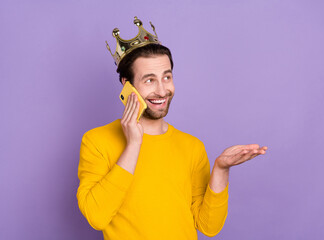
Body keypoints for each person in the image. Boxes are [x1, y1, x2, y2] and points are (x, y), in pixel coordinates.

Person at [76, 17, 268, 240]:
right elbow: (96, 217)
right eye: (149, 80)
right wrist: (134, 144)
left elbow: (209, 226)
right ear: (126, 85)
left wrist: (221, 170)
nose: (162, 90)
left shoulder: (191, 146)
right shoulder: (96, 141)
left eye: (166, 77)